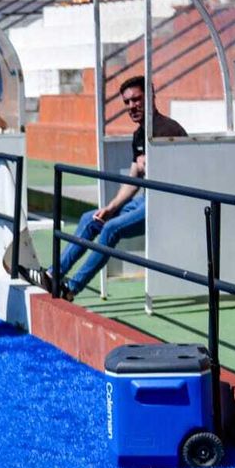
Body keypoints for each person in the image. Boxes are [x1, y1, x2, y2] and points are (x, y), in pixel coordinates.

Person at [42, 75, 187, 300]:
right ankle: (54, 274)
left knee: (111, 230)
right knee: (91, 219)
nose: (132, 106)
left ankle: (71, 288)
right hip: (146, 200)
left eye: (137, 99)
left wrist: (149, 163)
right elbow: (132, 181)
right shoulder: (139, 133)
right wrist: (110, 208)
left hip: (168, 204)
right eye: (127, 102)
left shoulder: (167, 129)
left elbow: (178, 176)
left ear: (150, 96)